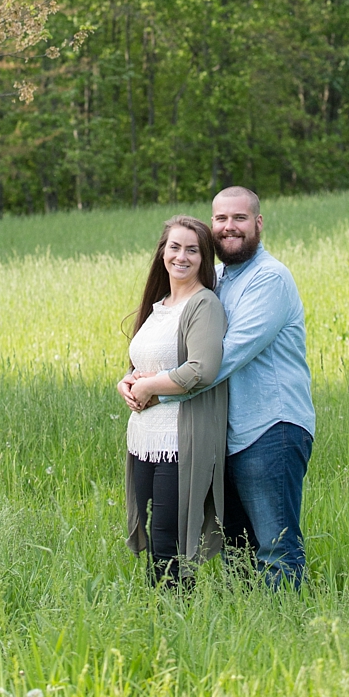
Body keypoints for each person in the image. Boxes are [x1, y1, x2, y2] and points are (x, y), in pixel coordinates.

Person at [206, 185, 316, 588]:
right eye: (221, 218)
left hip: (272, 428)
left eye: (239, 218)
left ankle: (288, 636)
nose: (229, 227)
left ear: (258, 223)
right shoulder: (216, 278)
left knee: (275, 548)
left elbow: (226, 354)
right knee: (236, 550)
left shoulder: (269, 279)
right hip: (230, 435)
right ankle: (251, 631)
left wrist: (159, 389)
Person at [116, 215, 228, 585]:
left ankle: (175, 623)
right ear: (162, 251)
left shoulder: (203, 304)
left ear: (204, 257)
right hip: (144, 439)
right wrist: (127, 383)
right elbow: (144, 364)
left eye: (192, 250)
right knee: (155, 536)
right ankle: (159, 620)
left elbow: (202, 369)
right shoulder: (158, 305)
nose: (181, 256)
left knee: (170, 542)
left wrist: (150, 389)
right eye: (175, 247)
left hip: (179, 442)